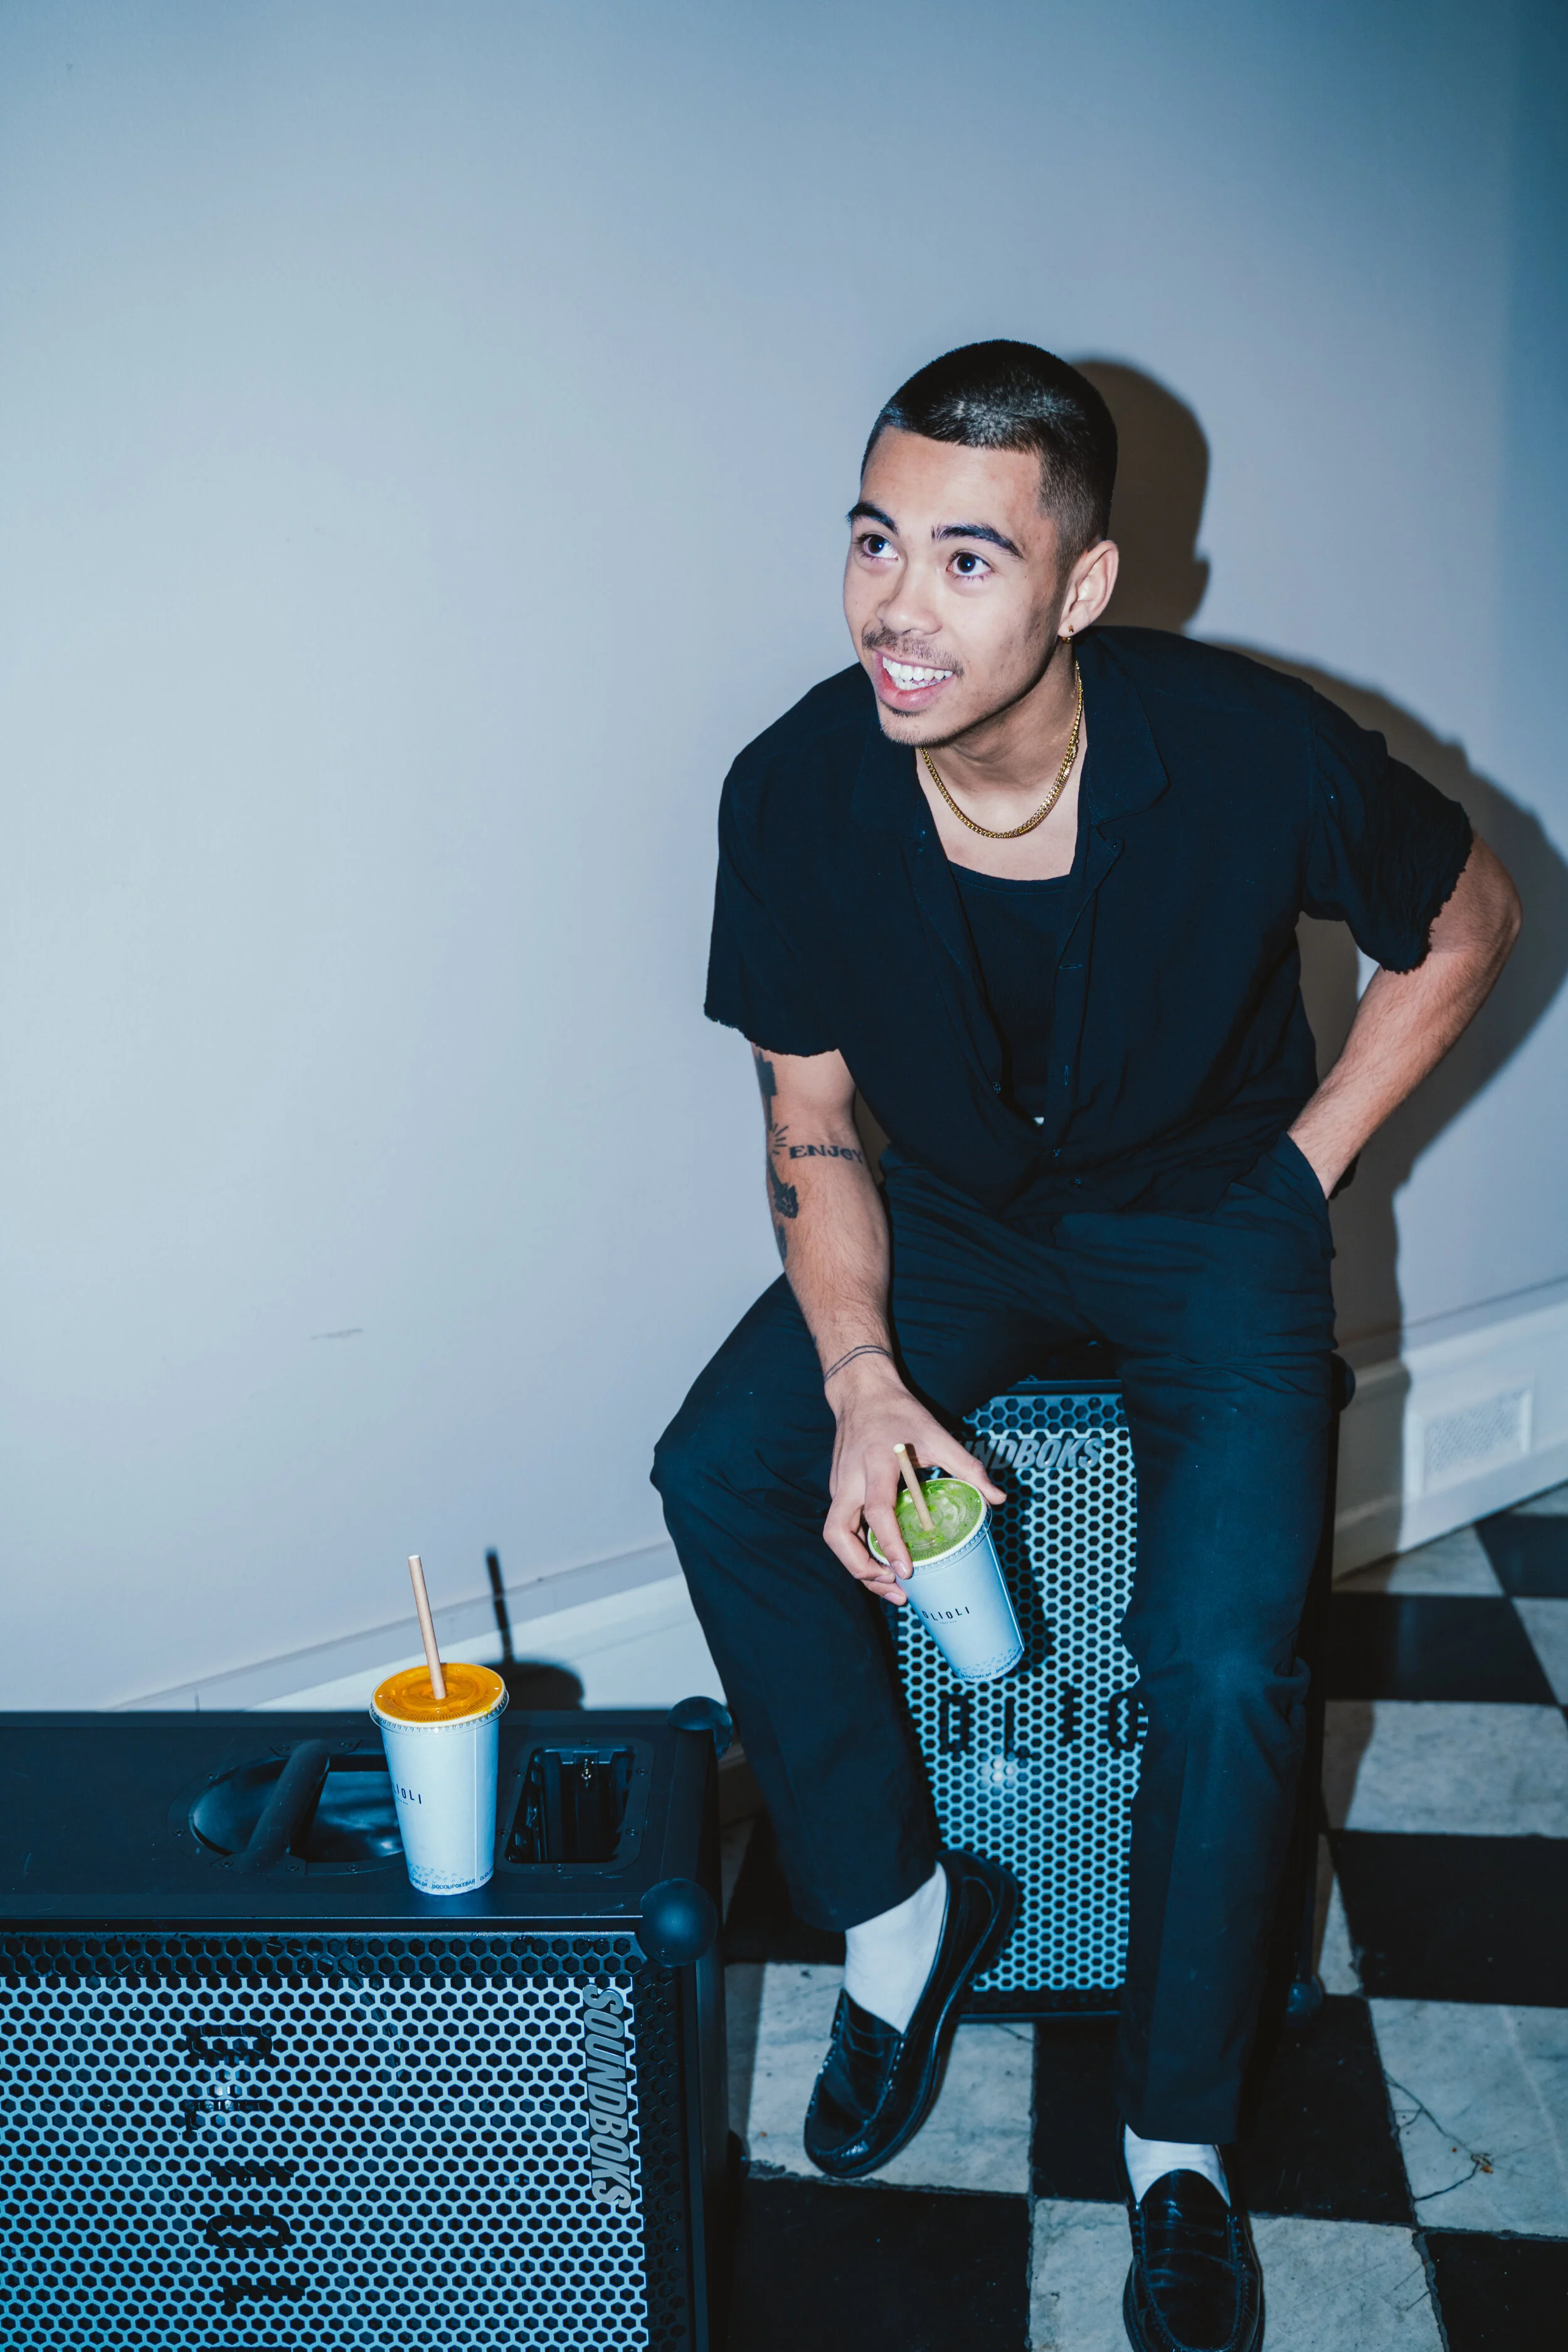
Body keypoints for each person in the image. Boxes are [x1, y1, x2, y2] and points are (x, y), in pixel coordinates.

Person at [652, 341, 1519, 2352]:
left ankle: (1179, 2138)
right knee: (724, 1469)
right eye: (876, 540)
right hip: (942, 1212)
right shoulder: (792, 788)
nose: (896, 602)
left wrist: (1294, 1180)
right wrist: (862, 1377)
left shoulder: (1243, 752)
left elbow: (1462, 916)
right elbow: (805, 1119)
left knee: (1219, 1663)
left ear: (1081, 588)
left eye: (967, 557)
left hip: (1209, 1210)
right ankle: (897, 1911)